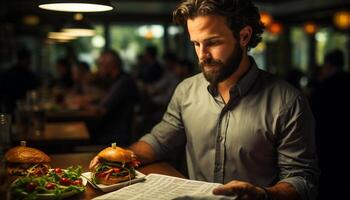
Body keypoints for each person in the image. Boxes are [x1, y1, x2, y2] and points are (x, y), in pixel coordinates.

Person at [90, 1, 319, 200]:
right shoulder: (186, 90)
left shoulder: (288, 102)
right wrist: (119, 156)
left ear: (244, 36)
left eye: (213, 42)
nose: (202, 55)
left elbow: (302, 181)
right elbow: (159, 141)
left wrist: (263, 194)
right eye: (196, 44)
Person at [310, 49, 350, 200]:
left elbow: (314, 114)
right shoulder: (347, 81)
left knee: (328, 182)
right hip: (345, 139)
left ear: (328, 64)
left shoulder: (324, 86)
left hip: (326, 140)